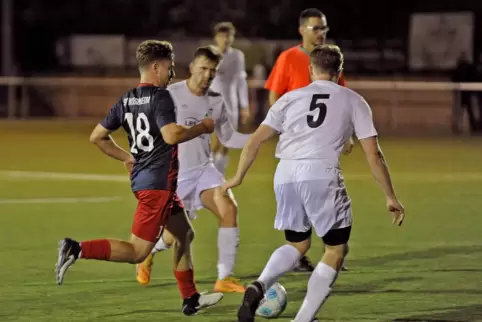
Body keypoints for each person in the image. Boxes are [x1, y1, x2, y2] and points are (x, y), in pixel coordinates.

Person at [222, 44, 405, 322]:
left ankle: (259, 285)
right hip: (320, 173)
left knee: (298, 244)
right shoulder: (353, 100)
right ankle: (304, 319)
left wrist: (237, 176)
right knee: (335, 249)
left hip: (285, 173)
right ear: (339, 71)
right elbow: (374, 155)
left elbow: (255, 139)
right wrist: (390, 196)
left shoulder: (290, 98)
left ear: (310, 70)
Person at [55, 40, 223, 316]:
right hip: (158, 186)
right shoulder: (161, 97)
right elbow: (171, 135)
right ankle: (77, 249)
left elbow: (97, 136)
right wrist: (202, 127)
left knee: (184, 234)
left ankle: (190, 298)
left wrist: (126, 158)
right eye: (169, 67)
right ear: (156, 67)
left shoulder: (126, 99)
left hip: (146, 182)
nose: (172, 73)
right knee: (138, 252)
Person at [135, 46, 250, 293]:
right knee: (171, 237)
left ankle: (224, 277)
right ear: (191, 69)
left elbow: (228, 138)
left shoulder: (217, 100)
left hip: (203, 170)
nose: (207, 75)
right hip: (173, 175)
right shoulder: (170, 95)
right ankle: (147, 255)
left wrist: (257, 138)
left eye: (213, 70)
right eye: (203, 69)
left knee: (228, 208)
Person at [264, 8, 353, 272]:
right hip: (298, 146)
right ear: (301, 30)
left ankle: (331, 254)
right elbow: (274, 96)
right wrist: (283, 128)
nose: (321, 33)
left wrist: (346, 133)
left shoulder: (329, 59)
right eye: (316, 28)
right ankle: (302, 254)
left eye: (323, 28)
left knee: (325, 196)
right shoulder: (289, 58)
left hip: (323, 145)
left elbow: (341, 98)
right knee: (300, 200)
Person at [210, 22, 250, 174]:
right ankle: (210, 175)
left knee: (226, 142)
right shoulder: (210, 54)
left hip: (231, 104)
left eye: (228, 36)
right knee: (215, 141)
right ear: (216, 38)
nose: (225, 39)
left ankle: (219, 175)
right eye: (222, 36)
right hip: (212, 103)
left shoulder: (237, 56)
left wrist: (244, 105)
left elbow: (241, 80)